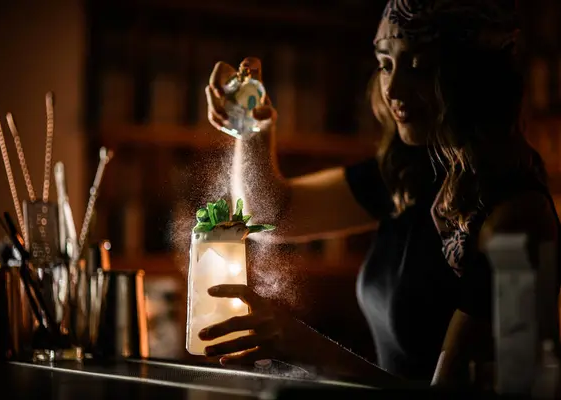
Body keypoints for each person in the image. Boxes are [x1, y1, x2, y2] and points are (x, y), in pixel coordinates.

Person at [201, 0, 561, 387]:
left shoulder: (517, 219)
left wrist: (305, 347)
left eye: (419, 65)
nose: (394, 88)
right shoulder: (412, 173)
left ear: (472, 73)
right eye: (386, 63)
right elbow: (272, 215)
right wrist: (250, 129)